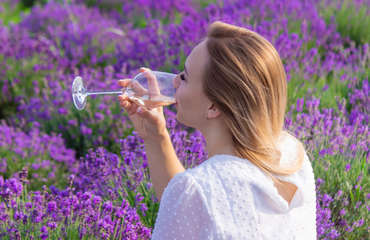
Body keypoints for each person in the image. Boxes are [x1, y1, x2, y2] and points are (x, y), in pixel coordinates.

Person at [118, 21, 316, 239]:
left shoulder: (200, 187)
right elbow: (191, 211)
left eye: (184, 76)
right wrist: (156, 136)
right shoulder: (291, 156)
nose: (173, 80)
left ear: (214, 106)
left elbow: (196, 200)